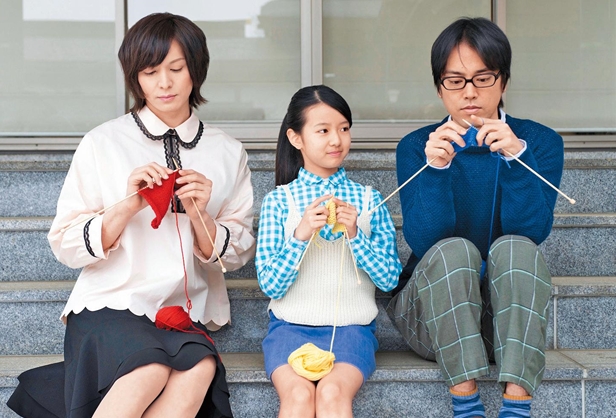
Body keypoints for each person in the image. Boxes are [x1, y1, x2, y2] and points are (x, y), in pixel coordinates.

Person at [7, 13, 255, 418]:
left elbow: (237, 252)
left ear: (196, 69)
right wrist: (128, 205)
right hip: (110, 303)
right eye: (150, 72)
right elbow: (65, 243)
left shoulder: (227, 152)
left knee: (200, 369)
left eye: (176, 69)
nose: (164, 83)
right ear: (135, 78)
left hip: (180, 313)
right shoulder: (103, 142)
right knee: (148, 368)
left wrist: (200, 214)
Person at [387, 17, 563, 418]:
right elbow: (424, 240)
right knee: (453, 250)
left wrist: (517, 159)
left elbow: (532, 230)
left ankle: (516, 406)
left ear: (504, 81)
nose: (469, 92)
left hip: (506, 322)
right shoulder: (416, 147)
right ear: (439, 88)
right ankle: (466, 405)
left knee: (516, 247)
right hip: (432, 316)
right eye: (455, 81)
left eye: (483, 78)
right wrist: (435, 170)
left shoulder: (539, 143)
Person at [255, 85, 401, 417]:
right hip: (289, 328)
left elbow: (390, 278)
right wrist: (301, 234)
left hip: (351, 329)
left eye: (344, 129)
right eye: (323, 130)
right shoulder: (279, 201)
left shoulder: (368, 199)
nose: (337, 139)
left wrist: (355, 235)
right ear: (296, 138)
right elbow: (271, 285)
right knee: (298, 396)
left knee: (333, 393)